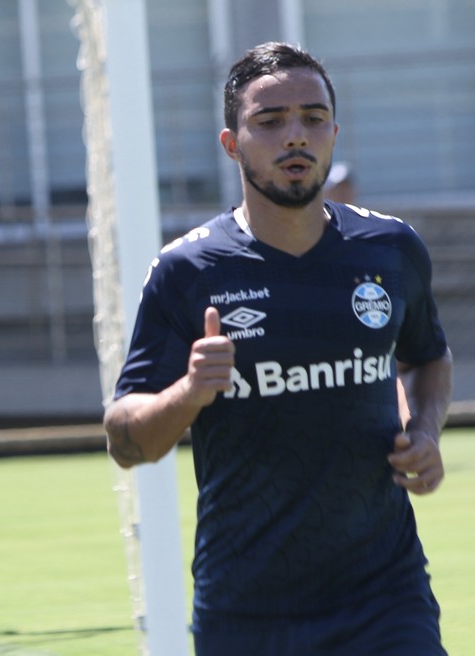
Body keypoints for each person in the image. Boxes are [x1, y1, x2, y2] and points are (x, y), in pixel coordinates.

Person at [103, 42, 452, 655]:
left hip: (386, 596)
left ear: (334, 134)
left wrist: (424, 429)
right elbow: (125, 439)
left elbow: (427, 357)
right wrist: (189, 392)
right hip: (247, 609)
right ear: (232, 143)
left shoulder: (391, 250)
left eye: (313, 118)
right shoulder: (187, 271)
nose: (296, 135)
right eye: (270, 122)